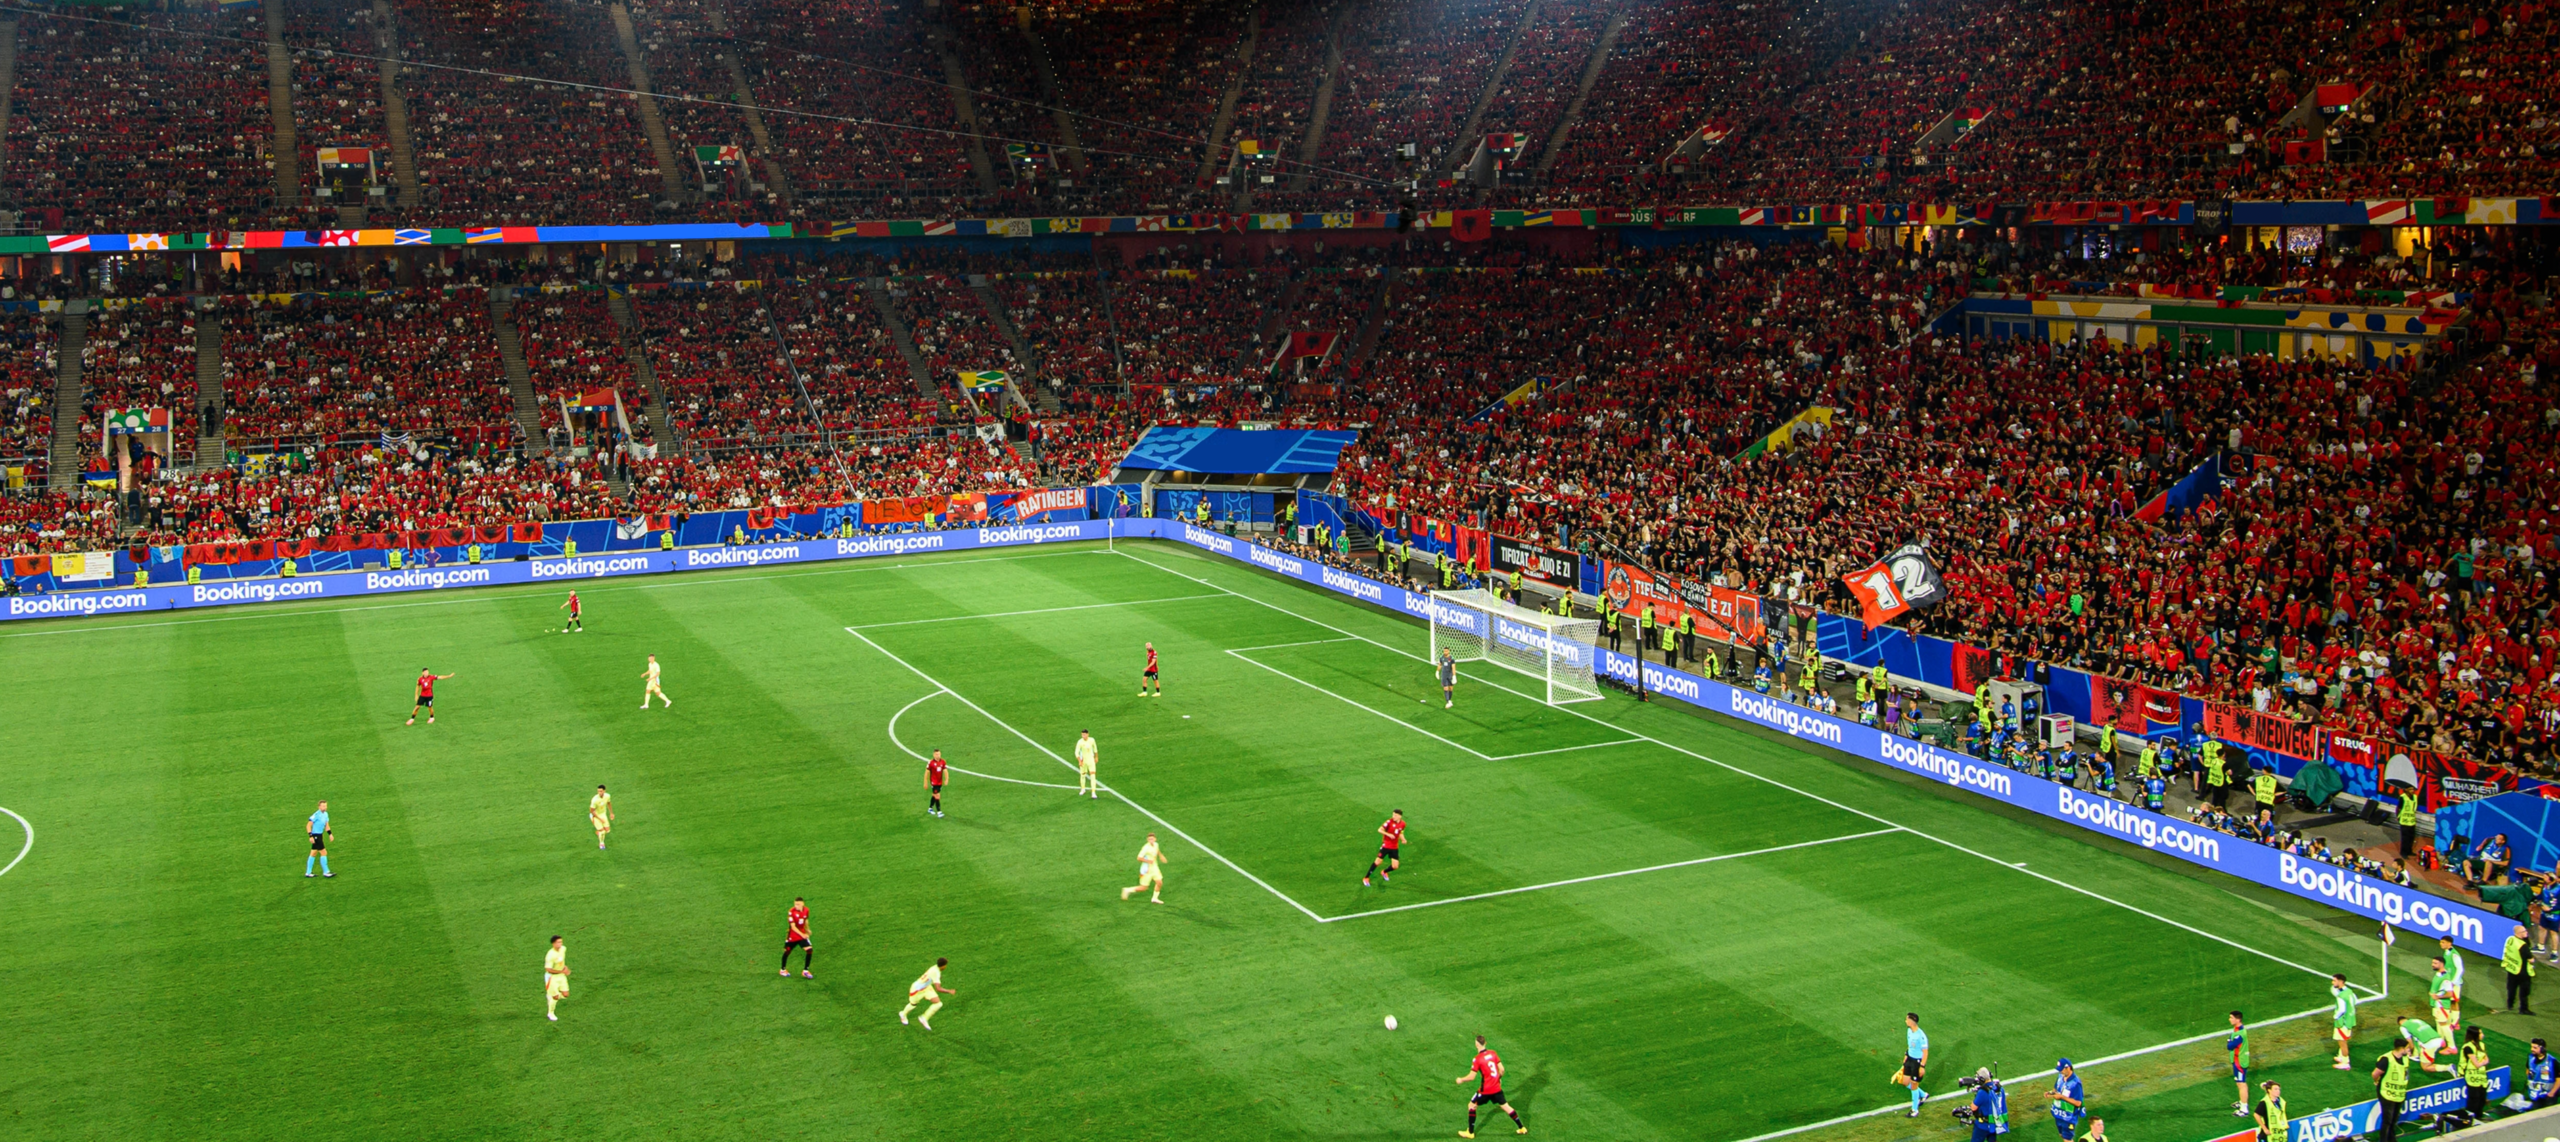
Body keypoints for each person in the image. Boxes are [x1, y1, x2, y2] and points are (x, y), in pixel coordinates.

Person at [1455, 1034, 1525, 1137]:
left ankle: (1470, 1132)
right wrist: (1498, 1079)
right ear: (1485, 1043)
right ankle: (1522, 1128)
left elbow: (1472, 1077)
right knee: (1506, 1107)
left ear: (1476, 1044)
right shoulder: (1493, 1053)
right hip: (1496, 1088)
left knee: (1471, 1106)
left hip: (1485, 1090)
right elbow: (1502, 1069)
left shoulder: (1477, 1059)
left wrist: (1461, 1079)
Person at [2374, 1035, 2416, 1142]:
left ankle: (2391, 1140)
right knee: (2387, 1121)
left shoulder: (2405, 1058)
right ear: (2401, 1049)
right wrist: (2376, 1080)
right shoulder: (2386, 1059)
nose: (2409, 1049)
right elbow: (2375, 1073)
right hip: (2386, 1093)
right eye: (2407, 1048)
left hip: (2399, 1094)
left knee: (2393, 1120)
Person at [898, 957, 952, 1030]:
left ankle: (924, 1018)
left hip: (926, 988)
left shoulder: (935, 968)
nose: (946, 966)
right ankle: (903, 1014)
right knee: (913, 1005)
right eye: (946, 965)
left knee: (938, 1003)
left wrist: (938, 978)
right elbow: (938, 988)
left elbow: (934, 976)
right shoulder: (935, 972)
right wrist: (949, 991)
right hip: (916, 990)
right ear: (943, 966)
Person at [1893, 1012, 1930, 1116]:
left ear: (1911, 1022)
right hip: (1910, 1059)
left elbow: (1925, 1052)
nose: (1905, 1021)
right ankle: (1923, 1095)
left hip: (1917, 1063)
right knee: (1905, 1082)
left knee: (1914, 1085)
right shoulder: (1909, 1031)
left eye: (1907, 1020)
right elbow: (1909, 1045)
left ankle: (1914, 1110)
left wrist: (1922, 1066)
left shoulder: (1921, 1036)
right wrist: (1906, 1054)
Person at [1363, 810, 1406, 887]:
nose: (1393, 816)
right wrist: (1388, 834)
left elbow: (1400, 832)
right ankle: (1366, 878)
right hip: (1386, 845)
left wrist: (1403, 839)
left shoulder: (1403, 824)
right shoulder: (1389, 822)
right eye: (1393, 815)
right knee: (1378, 861)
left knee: (1395, 866)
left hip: (1394, 847)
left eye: (1395, 815)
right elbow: (1379, 830)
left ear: (1400, 816)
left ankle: (1384, 872)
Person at [2457, 1026, 2490, 1125]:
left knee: (2482, 1098)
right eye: (2480, 1033)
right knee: (2473, 1099)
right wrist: (2482, 1062)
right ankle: (2469, 1120)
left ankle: (2479, 1117)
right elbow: (2476, 1064)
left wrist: (2482, 1063)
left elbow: (2487, 1059)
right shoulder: (2468, 1047)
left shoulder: (2482, 1045)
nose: (2482, 1035)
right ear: (2475, 1035)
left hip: (2481, 1076)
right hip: (2471, 1077)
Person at [1967, 1067, 2009, 1142]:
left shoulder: (1982, 1092)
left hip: (1982, 1125)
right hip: (1995, 1123)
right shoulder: (2000, 1088)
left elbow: (1973, 1108)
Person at [1121, 832, 1165, 903]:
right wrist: (1148, 861)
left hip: (1155, 868)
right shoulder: (1145, 848)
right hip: (1146, 870)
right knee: (1144, 888)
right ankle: (1127, 890)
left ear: (1155, 839)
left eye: (1152, 839)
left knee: (1159, 882)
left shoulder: (1156, 844)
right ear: (1147, 840)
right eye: (1149, 839)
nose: (1151, 840)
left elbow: (1157, 850)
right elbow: (1139, 858)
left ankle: (1154, 898)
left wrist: (1161, 856)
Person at [2048, 1059, 2084, 1139]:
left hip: (2069, 1117)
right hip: (2059, 1113)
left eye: (2061, 1069)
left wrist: (2062, 1097)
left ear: (2068, 1068)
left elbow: (2078, 1103)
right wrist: (2050, 1093)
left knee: (2067, 1139)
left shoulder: (2075, 1083)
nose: (2060, 1072)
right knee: (2062, 1135)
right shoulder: (2060, 1077)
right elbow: (2056, 1089)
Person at [2505, 923, 2537, 1015]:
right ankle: (2523, 1009)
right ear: (2519, 933)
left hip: (2511, 969)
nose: (2527, 932)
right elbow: (2531, 959)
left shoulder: (2510, 939)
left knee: (2511, 988)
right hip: (2522, 971)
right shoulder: (2523, 945)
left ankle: (2510, 1004)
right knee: (2524, 991)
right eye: (2524, 931)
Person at [2330, 972, 2358, 1068]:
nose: (2332, 982)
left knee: (2342, 1043)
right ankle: (2341, 1056)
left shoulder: (2341, 995)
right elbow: (2355, 1000)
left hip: (2342, 1022)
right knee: (2343, 1041)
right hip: (2350, 1020)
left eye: (2334, 980)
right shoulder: (2349, 991)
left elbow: (2341, 1009)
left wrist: (2335, 1016)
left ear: (2340, 981)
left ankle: (2345, 1063)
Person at [2226, 1011, 2251, 1116]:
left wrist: (2228, 1041)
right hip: (2237, 1060)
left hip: (2240, 1062)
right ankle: (2242, 1102)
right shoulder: (2237, 1029)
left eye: (2231, 1018)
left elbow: (2230, 1046)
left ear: (2238, 1019)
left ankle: (2244, 1109)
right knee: (2239, 1082)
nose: (2229, 1019)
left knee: (2241, 1084)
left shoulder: (2240, 1034)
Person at [780, 897, 812, 978]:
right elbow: (793, 927)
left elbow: (806, 920)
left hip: (801, 934)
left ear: (802, 904)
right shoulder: (791, 912)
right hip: (793, 935)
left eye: (798, 904)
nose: (796, 906)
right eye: (795, 904)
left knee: (809, 950)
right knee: (787, 951)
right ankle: (782, 970)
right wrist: (803, 935)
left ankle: (805, 971)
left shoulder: (806, 910)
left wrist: (807, 929)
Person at [543, 935, 571, 1022]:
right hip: (552, 977)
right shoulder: (550, 955)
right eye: (558, 942)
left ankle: (550, 995)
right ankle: (550, 1013)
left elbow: (562, 962)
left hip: (561, 976)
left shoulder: (563, 949)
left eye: (561, 942)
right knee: (555, 997)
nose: (561, 944)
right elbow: (548, 969)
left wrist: (565, 968)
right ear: (553, 943)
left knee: (565, 995)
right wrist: (561, 971)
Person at [305, 799, 333, 878]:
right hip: (316, 836)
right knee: (324, 852)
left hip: (320, 835)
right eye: (323, 806)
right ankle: (326, 872)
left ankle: (308, 872)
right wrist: (310, 836)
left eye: (326, 806)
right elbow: (308, 825)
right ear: (319, 806)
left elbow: (326, 825)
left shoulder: (326, 814)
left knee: (313, 853)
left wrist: (330, 834)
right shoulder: (316, 815)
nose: (325, 807)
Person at [2526, 1038, 2554, 1107]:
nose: (2532, 1049)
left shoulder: (2551, 1061)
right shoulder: (2530, 1058)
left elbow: (2558, 1079)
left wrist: (2552, 1092)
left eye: (2535, 1047)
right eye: (2532, 1047)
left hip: (2548, 1094)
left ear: (2542, 1049)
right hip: (2535, 1092)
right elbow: (2527, 1069)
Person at [1074, 730, 1101, 799]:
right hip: (1083, 761)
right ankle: (1083, 789)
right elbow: (1076, 752)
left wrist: (1096, 757)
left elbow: (1095, 749)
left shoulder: (1092, 740)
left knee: (1093, 775)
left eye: (1084, 735)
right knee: (1083, 775)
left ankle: (1093, 792)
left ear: (1087, 734)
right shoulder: (1080, 742)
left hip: (1091, 760)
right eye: (1082, 735)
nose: (1083, 736)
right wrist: (1079, 761)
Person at [589, 785, 614, 850]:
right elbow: (591, 811)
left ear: (604, 791)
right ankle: (601, 843)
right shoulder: (595, 800)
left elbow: (609, 803)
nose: (599, 792)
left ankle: (599, 832)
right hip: (595, 815)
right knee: (602, 831)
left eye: (601, 791)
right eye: (598, 791)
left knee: (607, 830)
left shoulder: (607, 796)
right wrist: (600, 819)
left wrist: (611, 813)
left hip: (603, 814)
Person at [925, 750, 947, 818]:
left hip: (940, 782)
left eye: (939, 754)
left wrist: (946, 779)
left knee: (934, 795)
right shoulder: (931, 763)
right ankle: (939, 812)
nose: (938, 756)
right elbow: (926, 773)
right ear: (934, 755)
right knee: (937, 795)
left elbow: (945, 771)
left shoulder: (943, 762)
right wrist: (925, 782)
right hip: (933, 782)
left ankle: (930, 808)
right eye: (936, 754)